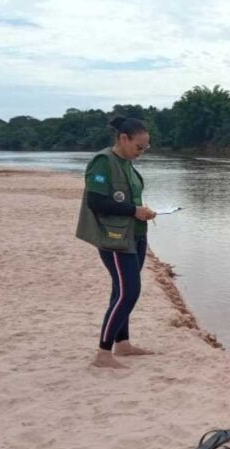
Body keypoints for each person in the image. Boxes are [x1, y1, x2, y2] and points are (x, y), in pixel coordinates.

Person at [76, 116, 157, 369]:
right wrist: (134, 210)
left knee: (120, 291)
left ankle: (123, 343)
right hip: (115, 240)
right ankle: (103, 353)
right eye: (139, 147)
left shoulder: (128, 164)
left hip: (134, 236)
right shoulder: (103, 162)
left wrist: (141, 211)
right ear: (124, 138)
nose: (141, 152)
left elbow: (128, 200)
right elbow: (96, 202)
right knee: (129, 292)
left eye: (146, 148)